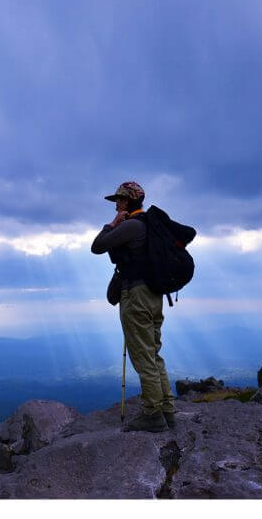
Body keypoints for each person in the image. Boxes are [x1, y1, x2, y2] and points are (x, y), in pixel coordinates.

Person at [91, 181, 175, 432]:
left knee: (142, 356)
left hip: (135, 296)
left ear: (128, 201)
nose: (116, 204)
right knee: (153, 354)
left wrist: (114, 222)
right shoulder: (150, 226)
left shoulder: (131, 225)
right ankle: (167, 411)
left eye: (119, 200)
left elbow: (97, 246)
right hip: (153, 295)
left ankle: (152, 415)